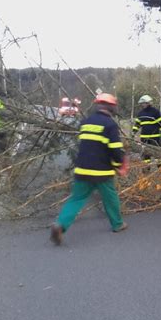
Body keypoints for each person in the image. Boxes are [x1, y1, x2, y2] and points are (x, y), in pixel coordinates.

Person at [50, 93, 129, 246]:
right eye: (114, 106)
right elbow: (115, 149)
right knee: (110, 198)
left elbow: (88, 145)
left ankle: (60, 225)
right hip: (102, 172)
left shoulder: (85, 122)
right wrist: (120, 164)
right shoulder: (110, 125)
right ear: (110, 107)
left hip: (82, 169)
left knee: (76, 199)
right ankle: (118, 224)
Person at [132, 95, 161, 163]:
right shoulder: (140, 113)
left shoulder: (155, 112)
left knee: (157, 154)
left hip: (155, 138)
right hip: (144, 138)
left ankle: (160, 169)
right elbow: (137, 124)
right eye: (141, 104)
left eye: (143, 103)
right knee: (145, 154)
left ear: (148, 103)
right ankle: (146, 169)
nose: (142, 105)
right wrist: (133, 132)